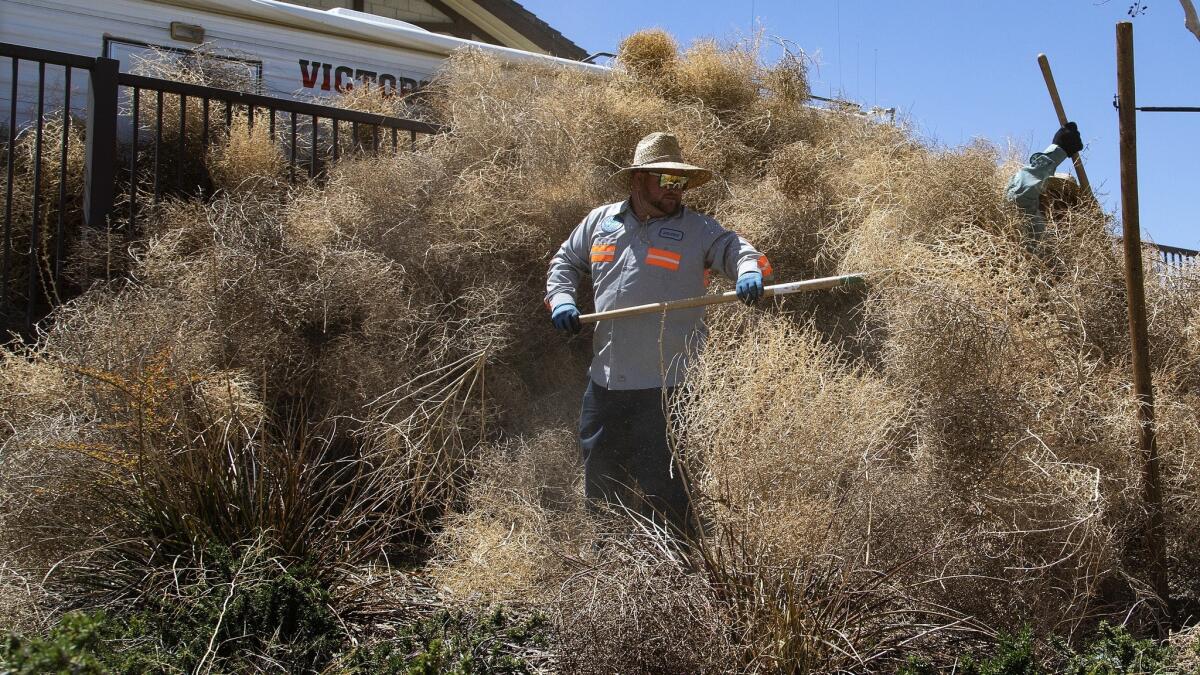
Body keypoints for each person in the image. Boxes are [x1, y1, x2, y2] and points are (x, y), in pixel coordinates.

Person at [545, 131, 772, 536]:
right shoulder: (600, 223)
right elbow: (565, 261)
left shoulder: (698, 230)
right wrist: (562, 299)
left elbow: (736, 249)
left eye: (680, 181)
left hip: (669, 385)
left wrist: (749, 270)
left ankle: (673, 576)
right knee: (602, 484)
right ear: (638, 180)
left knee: (666, 491)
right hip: (607, 382)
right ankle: (608, 567)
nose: (675, 190)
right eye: (666, 180)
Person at [1005, 122, 1084, 246]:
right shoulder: (1030, 226)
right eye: (1055, 195)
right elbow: (1019, 194)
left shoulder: (1076, 247)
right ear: (1043, 194)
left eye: (1067, 202)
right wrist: (1059, 150)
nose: (1059, 204)